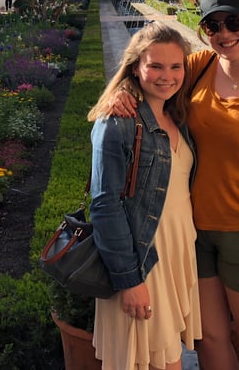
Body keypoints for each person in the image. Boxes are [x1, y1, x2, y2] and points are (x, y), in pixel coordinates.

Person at [112, 0, 239, 370]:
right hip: (196, 233)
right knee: (208, 338)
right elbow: (155, 74)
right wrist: (124, 93)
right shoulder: (200, 68)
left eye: (232, 22)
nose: (223, 33)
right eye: (212, 26)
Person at [88, 21, 202, 370]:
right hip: (143, 263)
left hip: (174, 258)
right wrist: (130, 281)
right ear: (136, 68)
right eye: (155, 65)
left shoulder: (177, 116)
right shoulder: (117, 121)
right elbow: (104, 205)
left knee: (165, 361)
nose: (166, 76)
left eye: (175, 66)